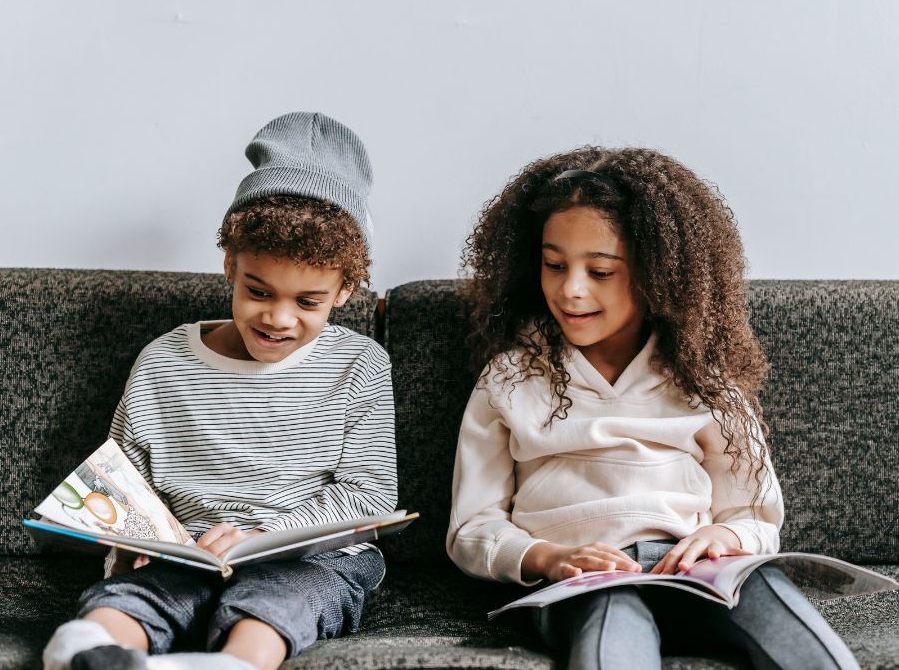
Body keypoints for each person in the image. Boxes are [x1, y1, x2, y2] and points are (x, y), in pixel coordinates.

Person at [446, 147, 859, 669]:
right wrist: (547, 558)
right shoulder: (510, 377)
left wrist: (724, 535)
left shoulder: (704, 380)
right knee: (612, 613)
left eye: (600, 271)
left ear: (660, 277)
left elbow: (754, 513)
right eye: (554, 265)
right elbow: (473, 526)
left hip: (698, 574)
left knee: (771, 596)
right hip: (586, 582)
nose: (570, 289)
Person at [44, 112, 397, 670]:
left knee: (279, 602)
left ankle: (232, 664)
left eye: (308, 302)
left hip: (310, 554)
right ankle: (91, 648)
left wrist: (264, 534)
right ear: (230, 265)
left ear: (346, 290)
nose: (279, 318)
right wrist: (132, 537)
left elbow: (369, 495)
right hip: (187, 548)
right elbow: (124, 476)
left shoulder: (359, 362)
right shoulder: (165, 358)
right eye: (259, 291)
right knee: (138, 596)